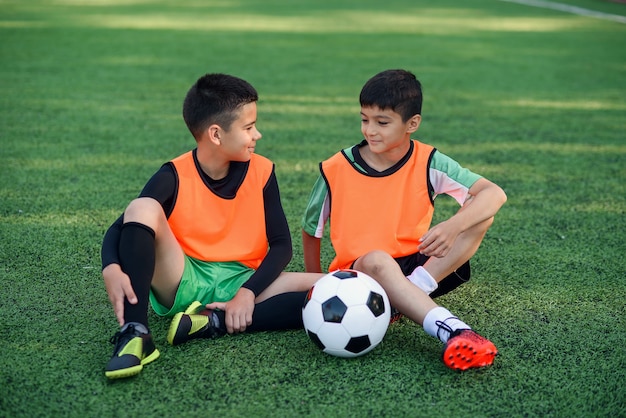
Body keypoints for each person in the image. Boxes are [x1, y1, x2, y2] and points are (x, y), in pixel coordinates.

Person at [101, 73, 322, 379]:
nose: (257, 135)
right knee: (142, 207)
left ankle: (210, 322)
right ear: (216, 134)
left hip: (242, 278)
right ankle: (136, 332)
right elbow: (120, 226)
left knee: (325, 289)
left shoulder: (262, 171)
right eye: (248, 128)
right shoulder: (173, 174)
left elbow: (282, 245)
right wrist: (110, 266)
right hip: (182, 279)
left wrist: (247, 291)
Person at [301, 69, 507, 371]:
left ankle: (408, 294)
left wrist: (453, 225)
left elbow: (494, 194)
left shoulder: (429, 161)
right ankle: (454, 330)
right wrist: (318, 285)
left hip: (422, 268)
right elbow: (311, 231)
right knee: (377, 260)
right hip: (362, 273)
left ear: (412, 124)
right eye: (364, 119)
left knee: (479, 216)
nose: (370, 130)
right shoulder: (336, 167)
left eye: (382, 122)